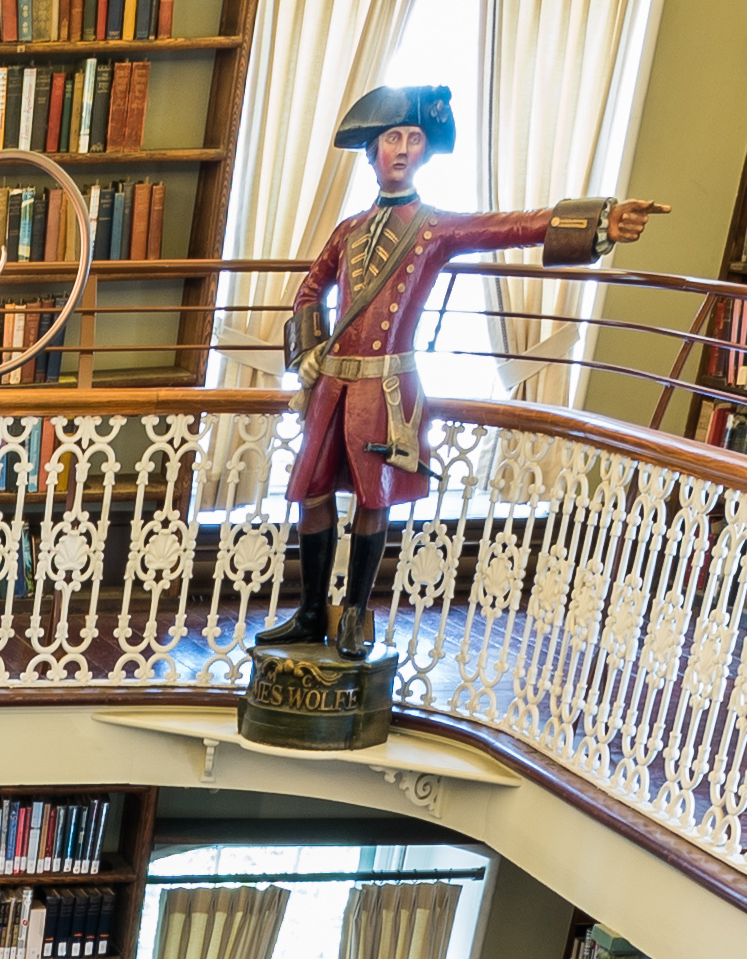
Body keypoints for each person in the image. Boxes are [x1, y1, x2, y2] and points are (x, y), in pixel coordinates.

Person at [267, 84, 664, 653]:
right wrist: (309, 350)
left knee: (373, 500)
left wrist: (601, 220)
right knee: (310, 497)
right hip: (333, 384)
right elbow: (311, 288)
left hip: (386, 388)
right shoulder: (349, 229)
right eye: (391, 138)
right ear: (372, 153)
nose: (401, 149)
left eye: (413, 138)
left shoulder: (435, 227)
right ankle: (310, 613)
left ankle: (354, 615)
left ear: (425, 153)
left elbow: (511, 226)